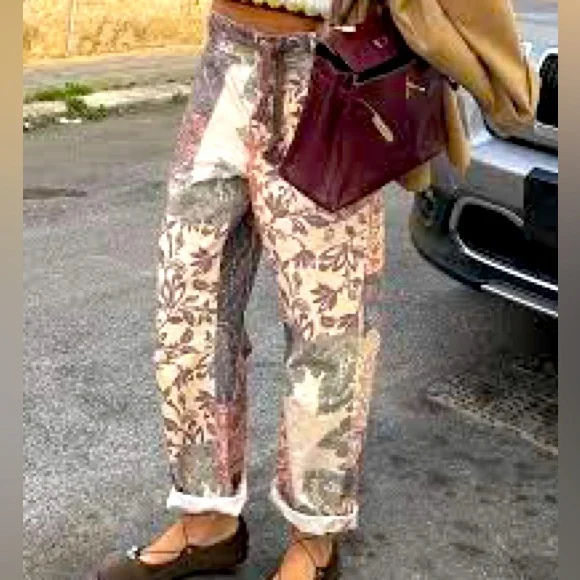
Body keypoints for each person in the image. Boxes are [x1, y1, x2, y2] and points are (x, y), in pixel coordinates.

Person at [90, 1, 538, 578]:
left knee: (329, 331)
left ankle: (315, 539)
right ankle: (208, 522)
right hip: (225, 61)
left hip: (331, 71)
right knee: (188, 311)